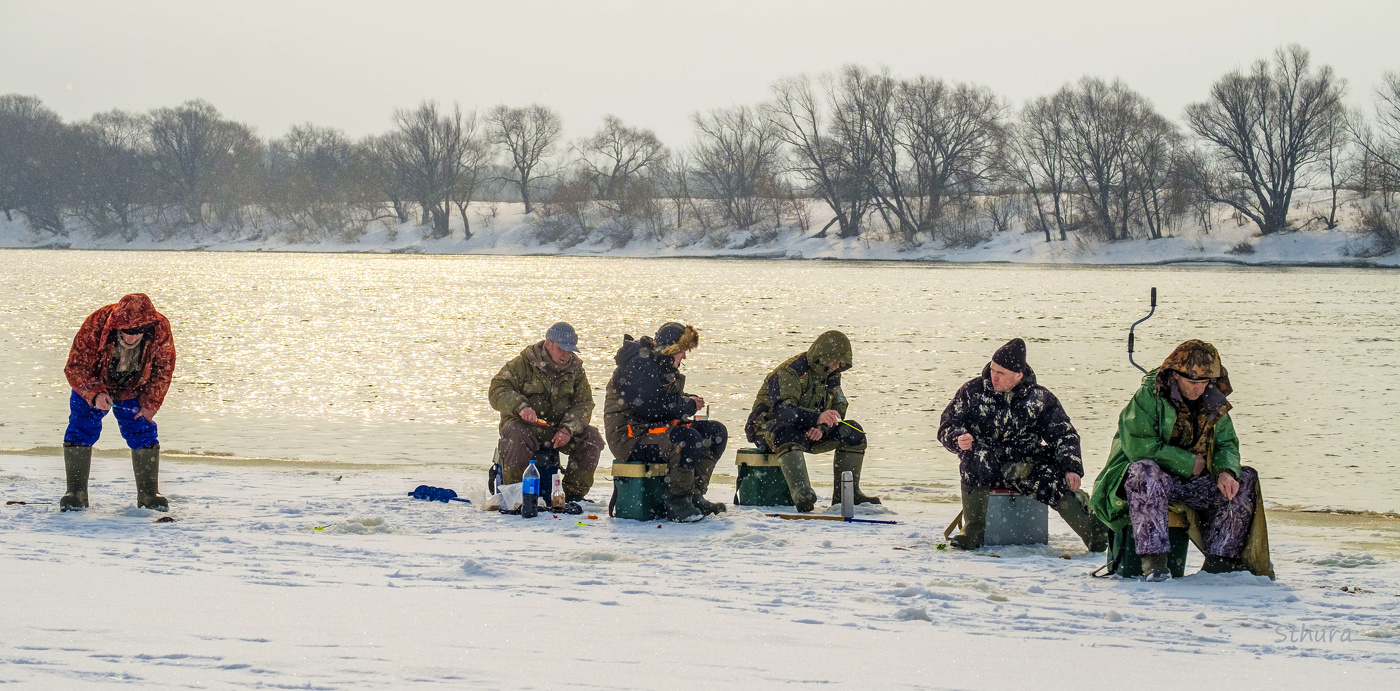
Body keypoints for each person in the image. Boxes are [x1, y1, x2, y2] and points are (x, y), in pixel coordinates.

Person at [1090, 340, 1258, 580]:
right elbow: (1138, 445)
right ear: (1175, 375)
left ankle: (1219, 563)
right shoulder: (1149, 396)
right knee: (1144, 471)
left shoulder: (1213, 400)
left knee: (1246, 478)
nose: (1198, 389)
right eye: (1192, 382)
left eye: (1203, 383)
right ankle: (1154, 564)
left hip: (1191, 483)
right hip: (1143, 481)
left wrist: (1225, 472)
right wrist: (1189, 463)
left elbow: (1227, 444)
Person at [938, 338, 1108, 551]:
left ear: (1018, 376)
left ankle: (1096, 536)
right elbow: (947, 424)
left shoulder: (1039, 398)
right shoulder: (973, 391)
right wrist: (957, 438)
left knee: (1053, 481)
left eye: (1001, 373)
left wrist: (1071, 468)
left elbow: (1064, 434)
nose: (994, 376)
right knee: (976, 454)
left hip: (1022, 463)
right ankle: (972, 530)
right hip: (984, 462)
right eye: (992, 369)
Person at [61, 293, 177, 511]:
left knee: (143, 430)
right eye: (126, 332)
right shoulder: (96, 323)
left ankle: (149, 494)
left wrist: (151, 403)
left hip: (135, 387)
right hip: (94, 384)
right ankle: (76, 493)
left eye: (137, 333)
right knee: (81, 428)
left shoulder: (160, 328)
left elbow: (164, 368)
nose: (131, 337)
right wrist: (94, 393)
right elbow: (75, 366)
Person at [604, 322, 727, 522]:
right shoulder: (638, 364)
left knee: (715, 432)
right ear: (671, 350)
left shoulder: (660, 363)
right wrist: (686, 405)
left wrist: (688, 400)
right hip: (630, 437)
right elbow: (651, 406)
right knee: (688, 439)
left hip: (655, 430)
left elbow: (662, 400)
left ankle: (695, 495)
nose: (685, 356)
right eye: (683, 351)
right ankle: (678, 502)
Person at [744, 330, 878, 512]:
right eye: (835, 360)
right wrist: (815, 418)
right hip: (769, 428)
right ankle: (801, 492)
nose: (837, 365)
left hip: (810, 428)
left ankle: (847, 495)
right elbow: (783, 411)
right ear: (822, 357)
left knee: (853, 432)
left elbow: (840, 406)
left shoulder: (831, 373)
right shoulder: (790, 371)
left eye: (840, 362)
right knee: (785, 431)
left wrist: (822, 427)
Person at [488, 322, 604, 503]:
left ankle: (571, 496)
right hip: (526, 427)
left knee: (592, 439)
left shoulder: (576, 371)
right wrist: (521, 407)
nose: (566, 354)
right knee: (516, 434)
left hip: (558, 431)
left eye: (570, 350)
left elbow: (584, 404)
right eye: (561, 349)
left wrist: (568, 428)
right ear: (548, 344)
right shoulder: (522, 364)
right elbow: (497, 390)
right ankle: (517, 496)